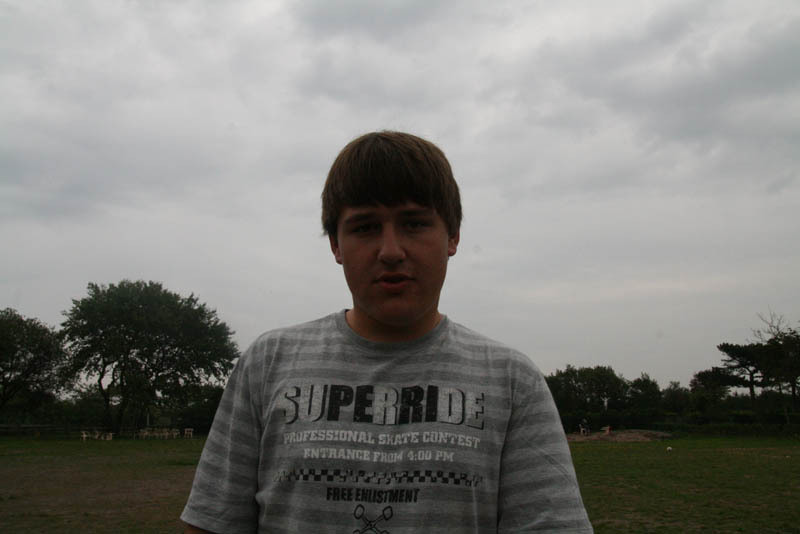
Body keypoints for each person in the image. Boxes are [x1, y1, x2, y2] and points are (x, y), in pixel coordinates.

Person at [181, 131, 593, 533]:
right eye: (365, 227)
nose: (391, 251)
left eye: (414, 223)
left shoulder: (512, 380)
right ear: (336, 245)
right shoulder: (267, 363)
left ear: (452, 236)